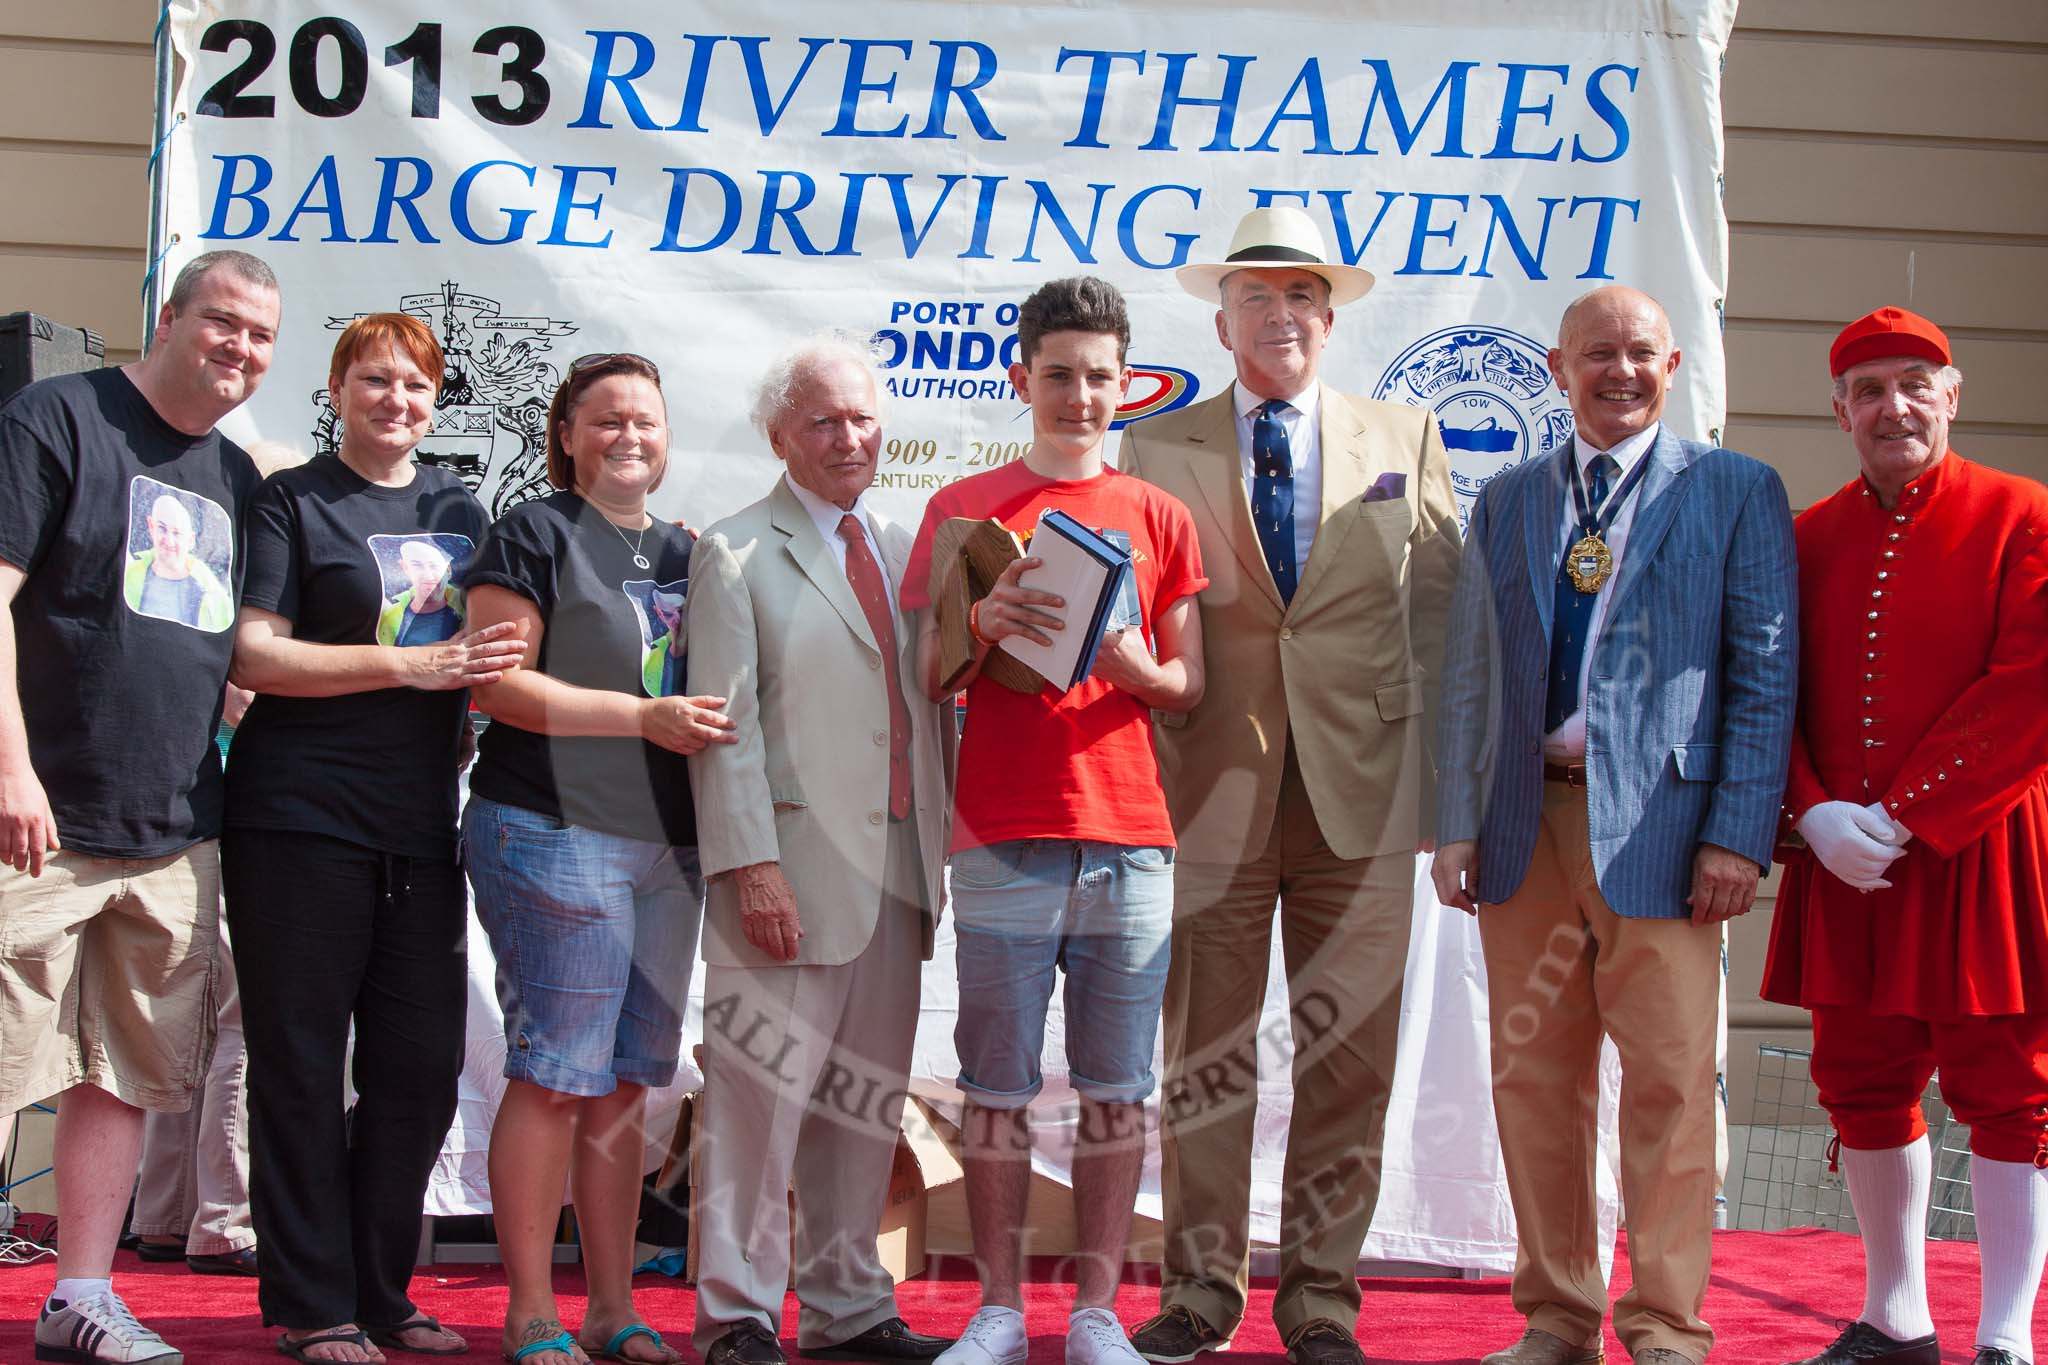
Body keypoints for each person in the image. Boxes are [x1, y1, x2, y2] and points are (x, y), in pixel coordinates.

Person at [1116, 206, 1460, 1365]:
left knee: (1349, 1060)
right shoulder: (1158, 450)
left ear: (1328, 316)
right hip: (1207, 791)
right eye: (1256, 297)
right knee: (1203, 1055)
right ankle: (1200, 1293)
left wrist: (1446, 798)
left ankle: (1320, 1300)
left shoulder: (1402, 438)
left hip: (1364, 797)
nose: (1281, 315)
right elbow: (1142, 617)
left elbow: (1445, 621)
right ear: (1219, 324)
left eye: (1301, 295)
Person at [1431, 285, 1797, 1365]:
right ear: (1557, 370)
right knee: (1534, 1082)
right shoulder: (1505, 500)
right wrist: (1454, 817)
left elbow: (1763, 674)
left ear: (1672, 367)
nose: (1620, 372)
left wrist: (1737, 834)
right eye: (1597, 355)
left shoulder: (1734, 491)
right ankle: (1555, 1316)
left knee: (1674, 1083)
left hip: (1667, 838)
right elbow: (1467, 671)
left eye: (1640, 353)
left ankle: (1667, 1323)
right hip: (1521, 826)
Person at [904, 277, 1208, 1365]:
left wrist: (1135, 665)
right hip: (1000, 835)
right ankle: (995, 1312)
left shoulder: (1160, 514)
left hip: (1129, 841)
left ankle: (1093, 1317)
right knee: (993, 1088)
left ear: (1125, 388)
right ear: (1021, 378)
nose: (1079, 396)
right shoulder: (961, 512)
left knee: (1119, 1092)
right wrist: (978, 620)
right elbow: (929, 673)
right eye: (1059, 375)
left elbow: (1187, 684)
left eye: (1098, 377)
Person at [224, 311, 520, 1364]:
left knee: (421, 1068)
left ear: (436, 404)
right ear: (339, 388)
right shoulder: (290, 503)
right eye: (377, 381)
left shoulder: (460, 510)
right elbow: (256, 656)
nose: (397, 401)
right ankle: (312, 1302)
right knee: (301, 1066)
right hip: (295, 817)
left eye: (417, 387)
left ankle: (379, 1288)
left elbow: (490, 655)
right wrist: (409, 668)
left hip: (417, 825)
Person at [0, 249, 275, 1365]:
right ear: (167, 318)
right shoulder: (57, 418)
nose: (239, 349)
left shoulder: (238, 481)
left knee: (120, 1072)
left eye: (260, 336)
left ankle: (82, 1294)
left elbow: (218, 650)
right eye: (222, 323)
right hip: (41, 816)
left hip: (174, 828)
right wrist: (9, 771)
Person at [1763, 309, 2048, 1365]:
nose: (1894, 407)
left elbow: (2031, 687)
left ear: (1951, 394)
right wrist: (1809, 808)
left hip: (1978, 851)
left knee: (2007, 1087)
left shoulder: (2024, 515)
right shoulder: (1805, 537)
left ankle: (2008, 1333)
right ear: (1838, 412)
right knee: (1860, 1077)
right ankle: (1895, 1316)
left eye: (1913, 384)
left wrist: (1906, 813)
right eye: (1870, 390)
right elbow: (1765, 694)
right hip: (1844, 858)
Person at [687, 335, 955, 1365]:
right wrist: (749, 865)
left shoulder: (898, 546)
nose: (848, 438)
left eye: (861, 419)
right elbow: (726, 728)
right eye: (822, 421)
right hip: (786, 876)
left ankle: (847, 1307)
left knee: (862, 1109)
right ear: (778, 437)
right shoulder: (735, 550)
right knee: (759, 1113)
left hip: (896, 874)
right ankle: (737, 1316)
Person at [462, 352, 732, 1365]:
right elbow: (499, 688)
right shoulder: (530, 532)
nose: (628, 435)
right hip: (552, 831)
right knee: (554, 1077)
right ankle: (532, 1309)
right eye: (605, 419)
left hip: (668, 849)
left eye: (646, 421)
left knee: (625, 1084)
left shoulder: (687, 553)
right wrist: (639, 717)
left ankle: (611, 1310)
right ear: (565, 437)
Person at [124, 492, 234, 631]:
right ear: (151, 527)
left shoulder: (211, 593)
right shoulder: (130, 575)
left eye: (177, 533)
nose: (168, 540)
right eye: (162, 528)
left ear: (190, 540)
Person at [377, 538, 464, 646]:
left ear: (448, 570)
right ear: (405, 568)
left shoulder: (467, 606)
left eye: (434, 566)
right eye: (417, 565)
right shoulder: (389, 615)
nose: (427, 575)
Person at [642, 586, 687, 697]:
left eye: (680, 612)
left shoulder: (692, 637)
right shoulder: (654, 648)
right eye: (668, 614)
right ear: (659, 613)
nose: (676, 618)